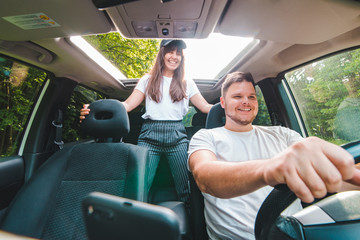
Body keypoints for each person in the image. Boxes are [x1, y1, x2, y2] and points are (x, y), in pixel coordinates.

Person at [188, 71, 360, 239]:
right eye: (237, 97)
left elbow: (330, 175)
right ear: (223, 103)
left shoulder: (283, 134)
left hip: (293, 233)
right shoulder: (205, 136)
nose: (246, 102)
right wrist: (271, 169)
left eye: (252, 97)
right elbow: (205, 176)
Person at [80, 39, 212, 208]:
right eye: (170, 51)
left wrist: (229, 105)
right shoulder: (147, 80)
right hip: (149, 135)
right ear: (162, 54)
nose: (174, 56)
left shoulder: (187, 82)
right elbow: (126, 105)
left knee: (185, 185)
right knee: (141, 183)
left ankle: (188, 220)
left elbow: (205, 106)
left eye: (178, 53)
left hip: (177, 137)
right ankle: (138, 218)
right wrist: (94, 108)